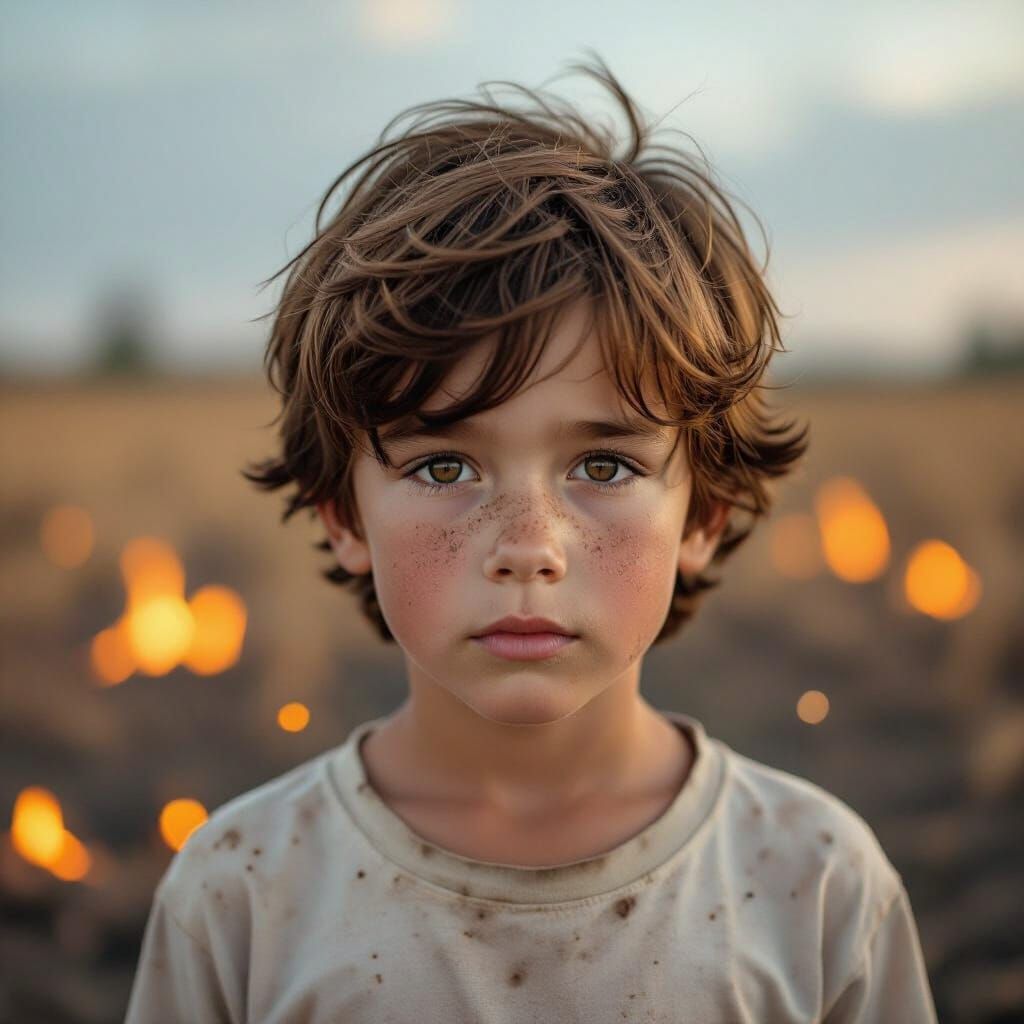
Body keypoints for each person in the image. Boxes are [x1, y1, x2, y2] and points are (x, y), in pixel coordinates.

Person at [125, 54, 938, 1023]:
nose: (529, 546)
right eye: (443, 466)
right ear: (344, 513)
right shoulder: (241, 898)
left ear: (704, 515)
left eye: (602, 467)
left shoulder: (817, 891)